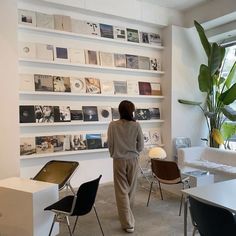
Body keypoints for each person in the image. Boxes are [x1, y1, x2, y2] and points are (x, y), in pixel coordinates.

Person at [107, 100, 144, 233]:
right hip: (133, 160)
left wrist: (114, 154)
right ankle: (127, 220)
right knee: (131, 189)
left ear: (120, 111)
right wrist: (135, 152)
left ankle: (126, 220)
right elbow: (141, 146)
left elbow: (110, 144)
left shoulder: (112, 125)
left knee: (121, 191)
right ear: (131, 111)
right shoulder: (136, 125)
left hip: (118, 160)